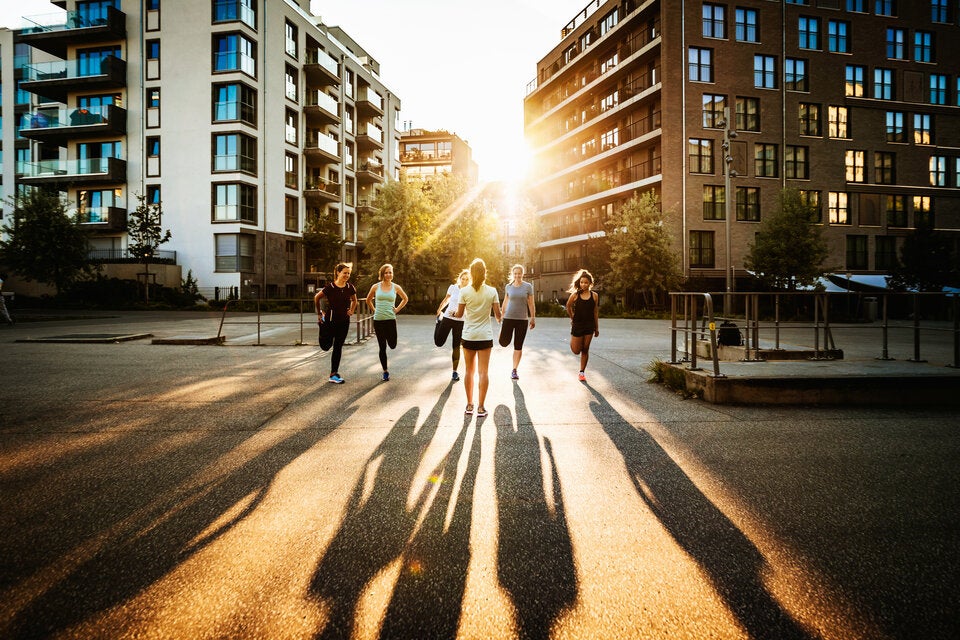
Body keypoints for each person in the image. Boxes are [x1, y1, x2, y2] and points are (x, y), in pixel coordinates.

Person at [454, 258, 502, 418]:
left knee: (469, 371)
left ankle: (469, 405)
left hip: (468, 336)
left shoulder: (464, 291)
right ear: (484, 272)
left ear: (471, 273)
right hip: (485, 336)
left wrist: (454, 313)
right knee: (483, 372)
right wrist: (501, 313)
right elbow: (498, 316)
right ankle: (481, 407)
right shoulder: (492, 291)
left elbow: (459, 314)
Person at [314, 262, 358, 384]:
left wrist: (352, 310)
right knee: (326, 346)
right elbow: (317, 298)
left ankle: (333, 374)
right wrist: (319, 313)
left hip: (344, 321)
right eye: (345, 273)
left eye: (348, 273)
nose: (347, 275)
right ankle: (321, 327)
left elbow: (355, 301)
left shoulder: (350, 287)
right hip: (330, 320)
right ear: (338, 273)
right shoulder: (331, 287)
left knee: (338, 347)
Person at [365, 263, 409, 381]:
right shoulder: (375, 286)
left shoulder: (396, 287)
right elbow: (368, 300)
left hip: (390, 319)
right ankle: (385, 371)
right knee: (382, 347)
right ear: (382, 274)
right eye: (386, 272)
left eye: (390, 272)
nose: (388, 274)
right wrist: (374, 310)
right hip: (378, 320)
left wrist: (397, 309)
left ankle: (391, 344)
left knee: (393, 345)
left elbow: (405, 298)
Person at [499, 264, 536, 380]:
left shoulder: (528, 286)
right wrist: (501, 314)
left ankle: (514, 370)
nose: (517, 275)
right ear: (513, 274)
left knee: (518, 346)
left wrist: (533, 317)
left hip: (522, 320)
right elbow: (505, 301)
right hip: (508, 318)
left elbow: (531, 303)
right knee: (503, 342)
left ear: (522, 274)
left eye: (519, 273)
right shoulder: (508, 286)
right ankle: (502, 332)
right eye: (515, 273)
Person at [565, 268, 599, 382]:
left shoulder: (594, 296)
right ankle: (574, 342)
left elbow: (595, 311)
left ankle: (582, 372)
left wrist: (596, 328)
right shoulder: (575, 295)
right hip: (578, 325)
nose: (583, 284)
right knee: (576, 350)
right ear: (579, 283)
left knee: (585, 349)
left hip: (589, 325)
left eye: (586, 282)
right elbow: (568, 306)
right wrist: (572, 317)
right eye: (581, 282)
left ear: (590, 283)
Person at [436, 269, 470, 381]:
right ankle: (438, 322)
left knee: (456, 347)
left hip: (460, 321)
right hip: (447, 318)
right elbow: (446, 300)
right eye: (463, 279)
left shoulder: (470, 291)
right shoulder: (453, 287)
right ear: (460, 278)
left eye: (467, 279)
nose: (464, 281)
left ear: (469, 280)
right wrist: (439, 309)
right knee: (439, 342)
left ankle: (455, 372)